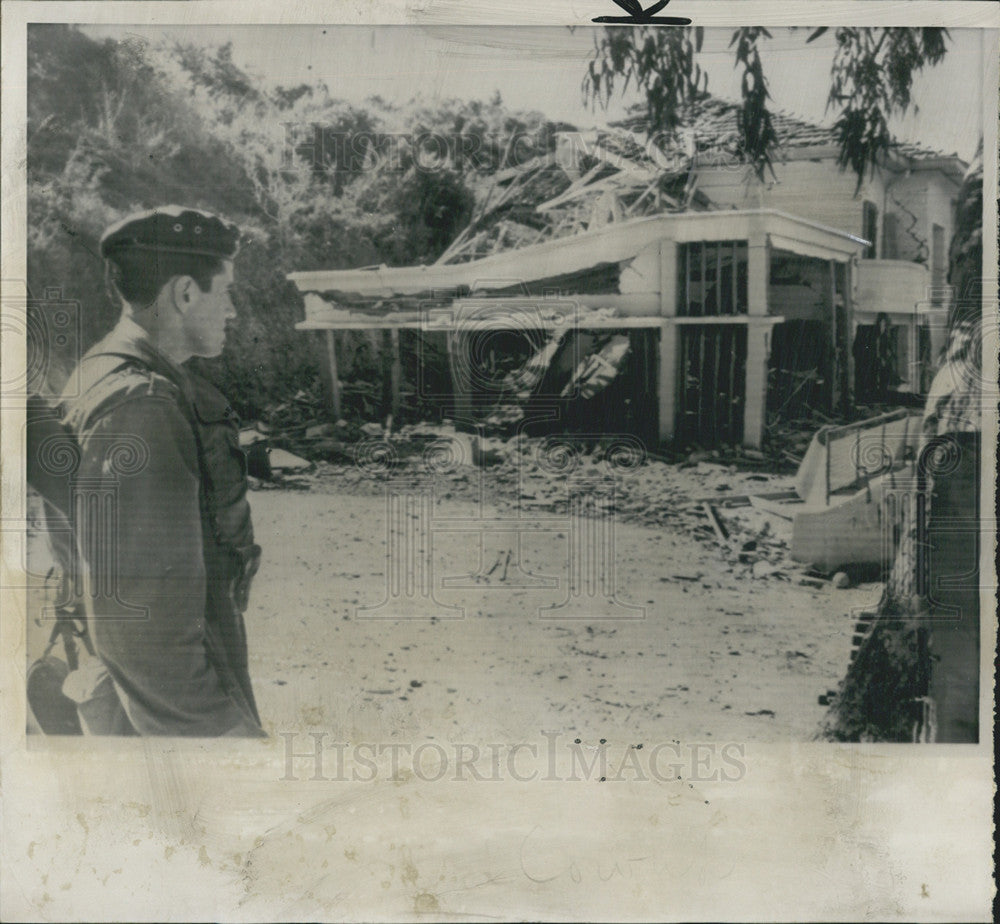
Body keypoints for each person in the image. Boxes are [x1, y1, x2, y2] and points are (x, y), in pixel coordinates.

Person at [57, 205, 264, 736]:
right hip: (167, 725)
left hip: (138, 706)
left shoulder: (107, 372)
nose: (233, 310)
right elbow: (137, 626)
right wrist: (222, 739)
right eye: (226, 292)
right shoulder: (141, 406)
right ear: (186, 293)